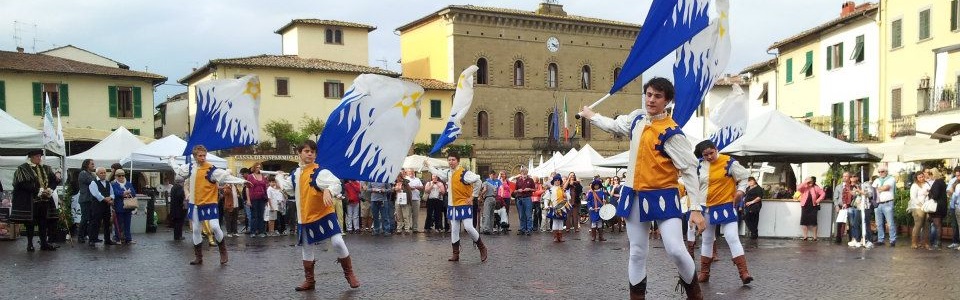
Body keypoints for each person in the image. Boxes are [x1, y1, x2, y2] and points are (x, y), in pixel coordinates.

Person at [580, 77, 706, 299]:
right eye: (649, 94)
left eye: (658, 96)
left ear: (667, 101)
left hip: (664, 196)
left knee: (676, 249)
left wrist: (695, 208)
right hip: (634, 195)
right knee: (637, 252)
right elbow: (615, 126)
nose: (651, 99)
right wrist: (592, 116)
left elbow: (689, 169)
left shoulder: (672, 133)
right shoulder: (637, 118)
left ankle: (695, 295)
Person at [276, 140, 359, 290]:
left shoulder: (320, 172)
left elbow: (336, 184)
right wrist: (279, 177)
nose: (310, 154)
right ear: (299, 153)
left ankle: (349, 273)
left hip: (324, 214)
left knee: (338, 242)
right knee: (307, 248)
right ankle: (310, 281)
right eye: (306, 151)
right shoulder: (295, 174)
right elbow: (287, 188)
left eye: (312, 152)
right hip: (305, 217)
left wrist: (329, 190)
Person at [169, 145, 247, 265]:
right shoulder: (191, 167)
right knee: (196, 230)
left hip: (209, 203)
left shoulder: (211, 169)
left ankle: (223, 251)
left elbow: (226, 177)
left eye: (204, 155)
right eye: (200, 155)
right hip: (194, 203)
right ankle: (199, 257)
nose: (202, 158)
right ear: (195, 156)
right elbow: (178, 170)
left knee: (215, 227)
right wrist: (171, 160)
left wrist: (243, 181)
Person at [694, 140, 753, 285]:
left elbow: (744, 177)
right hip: (705, 206)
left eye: (711, 153)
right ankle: (704, 273)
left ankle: (744, 272)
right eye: (705, 154)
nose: (709, 157)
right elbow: (693, 185)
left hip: (726, 205)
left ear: (716, 149)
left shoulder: (729, 162)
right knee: (707, 239)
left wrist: (740, 191)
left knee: (732, 236)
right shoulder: (699, 166)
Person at [425, 153, 489, 262]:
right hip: (452, 205)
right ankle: (456, 254)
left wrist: (473, 196)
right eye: (449, 160)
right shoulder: (448, 173)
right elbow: (438, 173)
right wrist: (428, 166)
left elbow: (478, 181)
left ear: (458, 161)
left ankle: (482, 247)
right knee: (454, 230)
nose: (451, 162)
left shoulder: (464, 173)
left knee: (468, 227)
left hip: (464, 204)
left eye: (453, 160)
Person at [11, 150, 63, 252]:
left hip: (45, 200)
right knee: (30, 223)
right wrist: (38, 190)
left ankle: (44, 243)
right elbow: (21, 183)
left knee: (43, 222)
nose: (39, 158)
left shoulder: (46, 168)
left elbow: (54, 180)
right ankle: (30, 244)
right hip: (30, 201)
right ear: (31, 157)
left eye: (40, 156)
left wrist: (50, 189)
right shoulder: (23, 168)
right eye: (37, 156)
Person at [87, 167, 116, 247]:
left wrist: (111, 198)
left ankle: (107, 240)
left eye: (104, 172)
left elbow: (112, 193)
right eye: (101, 173)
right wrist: (106, 199)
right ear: (97, 174)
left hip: (106, 206)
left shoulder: (108, 182)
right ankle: (92, 239)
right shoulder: (93, 183)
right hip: (97, 206)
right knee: (95, 223)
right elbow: (96, 194)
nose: (103, 174)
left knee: (107, 223)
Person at [110, 169, 136, 244]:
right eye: (119, 175)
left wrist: (125, 193)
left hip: (128, 207)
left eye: (123, 175)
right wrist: (124, 193)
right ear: (116, 176)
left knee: (128, 224)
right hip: (119, 207)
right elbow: (115, 193)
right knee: (118, 224)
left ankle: (128, 239)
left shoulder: (128, 183)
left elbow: (133, 192)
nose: (121, 177)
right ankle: (118, 238)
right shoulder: (114, 184)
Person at [872, 167, 897, 247]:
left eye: (882, 171)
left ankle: (892, 240)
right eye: (879, 172)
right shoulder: (877, 180)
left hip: (888, 203)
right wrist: (879, 189)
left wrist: (877, 189)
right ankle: (880, 239)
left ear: (886, 172)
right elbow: (872, 190)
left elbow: (887, 187)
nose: (880, 173)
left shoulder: (891, 179)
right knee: (878, 223)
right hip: (878, 203)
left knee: (890, 223)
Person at [797, 176, 824, 241]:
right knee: (804, 221)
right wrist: (805, 182)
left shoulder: (816, 187)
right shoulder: (804, 187)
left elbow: (823, 194)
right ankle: (805, 236)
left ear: (813, 181)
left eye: (810, 181)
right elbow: (798, 188)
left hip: (813, 206)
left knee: (814, 222)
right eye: (808, 181)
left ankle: (815, 237)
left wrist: (818, 200)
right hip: (805, 205)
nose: (809, 182)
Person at [245, 163, 269, 237]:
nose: (258, 168)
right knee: (254, 216)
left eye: (259, 167)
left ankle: (261, 231)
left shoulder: (263, 176)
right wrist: (248, 200)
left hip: (262, 198)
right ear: (254, 168)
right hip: (253, 198)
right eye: (257, 167)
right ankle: (253, 232)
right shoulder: (250, 176)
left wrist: (266, 199)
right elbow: (247, 188)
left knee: (261, 215)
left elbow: (265, 188)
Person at [544, 175, 570, 242]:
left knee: (561, 223)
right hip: (554, 208)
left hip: (562, 208)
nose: (557, 181)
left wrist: (565, 194)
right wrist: (546, 205)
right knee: (555, 222)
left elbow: (569, 198)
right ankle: (555, 237)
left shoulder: (563, 189)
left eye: (559, 180)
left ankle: (560, 237)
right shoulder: (550, 190)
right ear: (553, 181)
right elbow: (546, 199)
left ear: (560, 181)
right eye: (556, 180)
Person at [926, 169, 947, 249]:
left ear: (933, 174)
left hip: (937, 207)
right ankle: (937, 243)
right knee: (938, 224)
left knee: (937, 225)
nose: (929, 175)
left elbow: (935, 195)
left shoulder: (937, 182)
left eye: (930, 173)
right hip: (942, 206)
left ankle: (938, 243)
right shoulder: (942, 182)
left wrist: (929, 193)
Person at [908, 172, 930, 249]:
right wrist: (921, 205)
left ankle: (925, 243)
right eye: (919, 177)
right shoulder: (914, 185)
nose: (921, 178)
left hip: (927, 207)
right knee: (918, 225)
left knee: (926, 225)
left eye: (922, 177)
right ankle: (914, 242)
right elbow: (913, 197)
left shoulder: (927, 184)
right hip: (918, 207)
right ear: (916, 178)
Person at [76, 159, 96, 244]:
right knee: (84, 218)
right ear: (87, 165)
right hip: (85, 199)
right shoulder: (83, 173)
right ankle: (80, 236)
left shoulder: (91, 174)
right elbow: (92, 182)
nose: (93, 165)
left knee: (91, 218)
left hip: (91, 199)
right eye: (92, 164)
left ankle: (88, 235)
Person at [514, 168, 535, 236]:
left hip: (527, 198)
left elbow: (534, 189)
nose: (524, 174)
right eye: (523, 173)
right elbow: (515, 190)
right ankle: (522, 229)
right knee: (521, 215)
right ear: (521, 173)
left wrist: (529, 189)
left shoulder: (530, 180)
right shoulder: (518, 180)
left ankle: (529, 229)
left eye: (525, 172)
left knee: (528, 215)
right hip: (520, 199)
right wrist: (518, 190)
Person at [833, 172, 852, 244]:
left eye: (846, 176)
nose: (844, 178)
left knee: (851, 223)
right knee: (840, 223)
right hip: (841, 207)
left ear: (849, 177)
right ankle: (838, 238)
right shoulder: (838, 187)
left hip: (850, 206)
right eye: (843, 176)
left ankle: (851, 238)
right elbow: (835, 198)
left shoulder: (851, 186)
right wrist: (836, 206)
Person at [405, 169, 423, 233]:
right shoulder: (405, 179)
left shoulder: (417, 179)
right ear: (407, 172)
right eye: (409, 171)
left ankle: (415, 228)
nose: (411, 173)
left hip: (416, 199)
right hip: (408, 199)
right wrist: (409, 188)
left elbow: (421, 187)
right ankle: (407, 228)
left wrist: (415, 187)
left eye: (412, 172)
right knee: (407, 215)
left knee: (416, 215)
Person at [948, 167, 960, 249]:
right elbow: (948, 193)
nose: (957, 177)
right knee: (955, 225)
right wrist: (951, 190)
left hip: (957, 205)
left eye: (958, 175)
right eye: (956, 175)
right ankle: (955, 242)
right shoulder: (953, 181)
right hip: (953, 206)